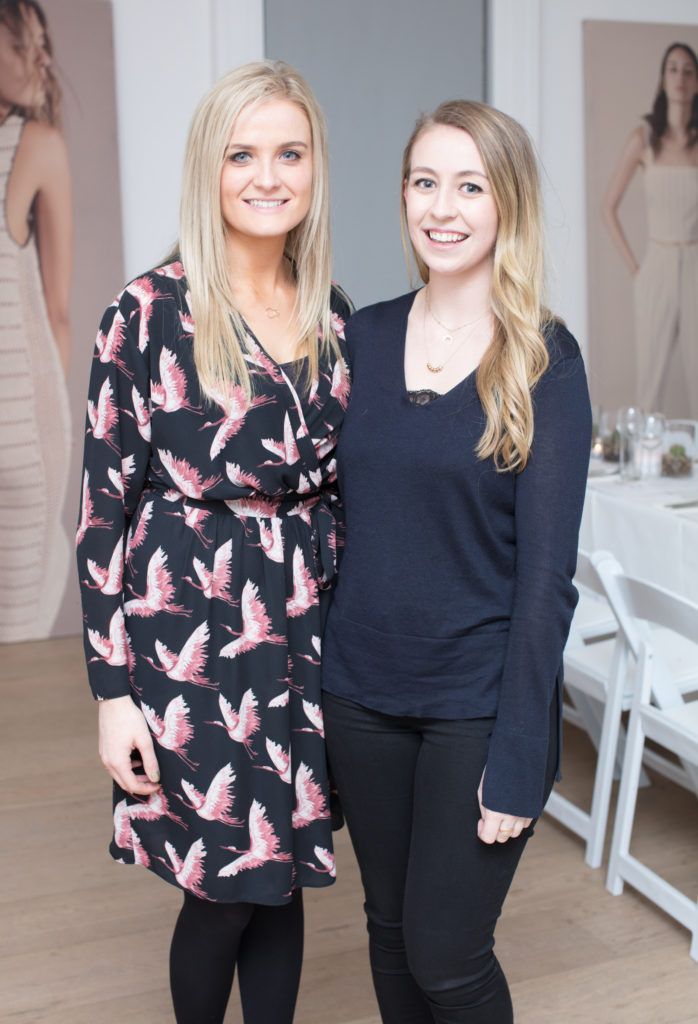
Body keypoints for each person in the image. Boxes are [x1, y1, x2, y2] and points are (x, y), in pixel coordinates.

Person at [76, 60, 351, 1024]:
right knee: (222, 889)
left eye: (289, 152)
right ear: (210, 167)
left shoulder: (333, 313)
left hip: (307, 638)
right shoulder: (148, 313)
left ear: (316, 166)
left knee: (278, 884)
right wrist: (113, 695)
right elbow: (100, 516)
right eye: (243, 155)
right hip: (191, 640)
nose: (267, 176)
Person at [322, 100, 591, 1024]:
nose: (444, 206)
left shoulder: (544, 359)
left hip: (475, 704)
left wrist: (521, 755)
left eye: (470, 185)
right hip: (360, 694)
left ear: (506, 202)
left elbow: (548, 578)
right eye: (425, 182)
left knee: (448, 954)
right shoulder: (357, 338)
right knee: (390, 934)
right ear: (403, 196)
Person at [0, 0, 72, 642]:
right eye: (25, 43)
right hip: (23, 424)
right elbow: (57, 312)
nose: (41, 60)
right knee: (16, 649)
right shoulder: (39, 146)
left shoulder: (35, 139)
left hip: (20, 430)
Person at [602, 41, 698, 415]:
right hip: (657, 262)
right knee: (650, 379)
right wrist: (637, 271)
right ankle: (645, 467)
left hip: (694, 263)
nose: (680, 77)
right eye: (672, 69)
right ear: (662, 79)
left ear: (696, 84)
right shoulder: (644, 138)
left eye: (688, 71)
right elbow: (607, 208)